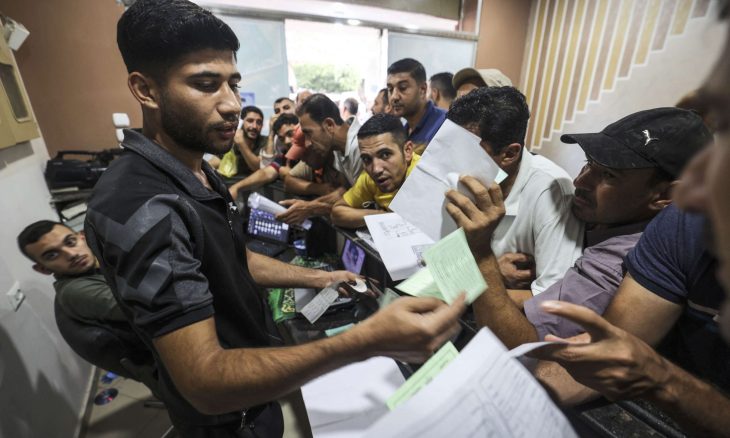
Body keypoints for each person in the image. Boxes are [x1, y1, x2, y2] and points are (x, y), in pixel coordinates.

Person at [86, 2, 466, 435]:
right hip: (228, 420)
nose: (231, 104)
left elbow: (233, 259)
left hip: (254, 399)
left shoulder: (195, 169)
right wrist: (365, 341)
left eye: (233, 84)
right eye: (206, 85)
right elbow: (205, 380)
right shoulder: (142, 206)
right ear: (146, 90)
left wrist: (322, 278)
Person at [445, 108, 710, 349]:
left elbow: (524, 348)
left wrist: (481, 255)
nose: (580, 181)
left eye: (609, 175)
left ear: (665, 195)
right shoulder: (606, 219)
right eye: (588, 164)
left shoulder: (616, 261)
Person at [446, 86, 584, 297]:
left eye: (468, 150)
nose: (453, 159)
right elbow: (436, 259)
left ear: (509, 154)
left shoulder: (551, 191)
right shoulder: (456, 172)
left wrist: (480, 277)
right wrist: (492, 273)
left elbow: (552, 298)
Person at [275, 93, 362, 226]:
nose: (307, 143)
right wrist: (308, 206)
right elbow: (345, 192)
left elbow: (361, 202)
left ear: (329, 125)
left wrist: (310, 208)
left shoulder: (361, 147)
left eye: (309, 133)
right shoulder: (338, 148)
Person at [17, 220, 125, 325]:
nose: (72, 254)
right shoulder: (76, 291)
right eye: (52, 255)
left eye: (70, 242)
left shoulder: (96, 262)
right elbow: (135, 307)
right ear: (43, 269)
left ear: (83, 237)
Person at [331, 114, 420, 228]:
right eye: (366, 159)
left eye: (385, 155)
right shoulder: (369, 179)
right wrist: (382, 216)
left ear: (407, 151)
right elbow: (337, 212)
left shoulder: (425, 177)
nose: (376, 169)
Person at [228, 113, 298, 199]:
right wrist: (236, 187)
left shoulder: (313, 151)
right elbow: (266, 173)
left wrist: (291, 177)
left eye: (290, 134)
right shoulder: (285, 157)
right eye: (282, 138)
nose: (287, 141)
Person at [386, 58, 446, 153]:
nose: (394, 97)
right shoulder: (403, 132)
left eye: (402, 88)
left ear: (422, 90)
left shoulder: (444, 124)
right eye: (390, 89)